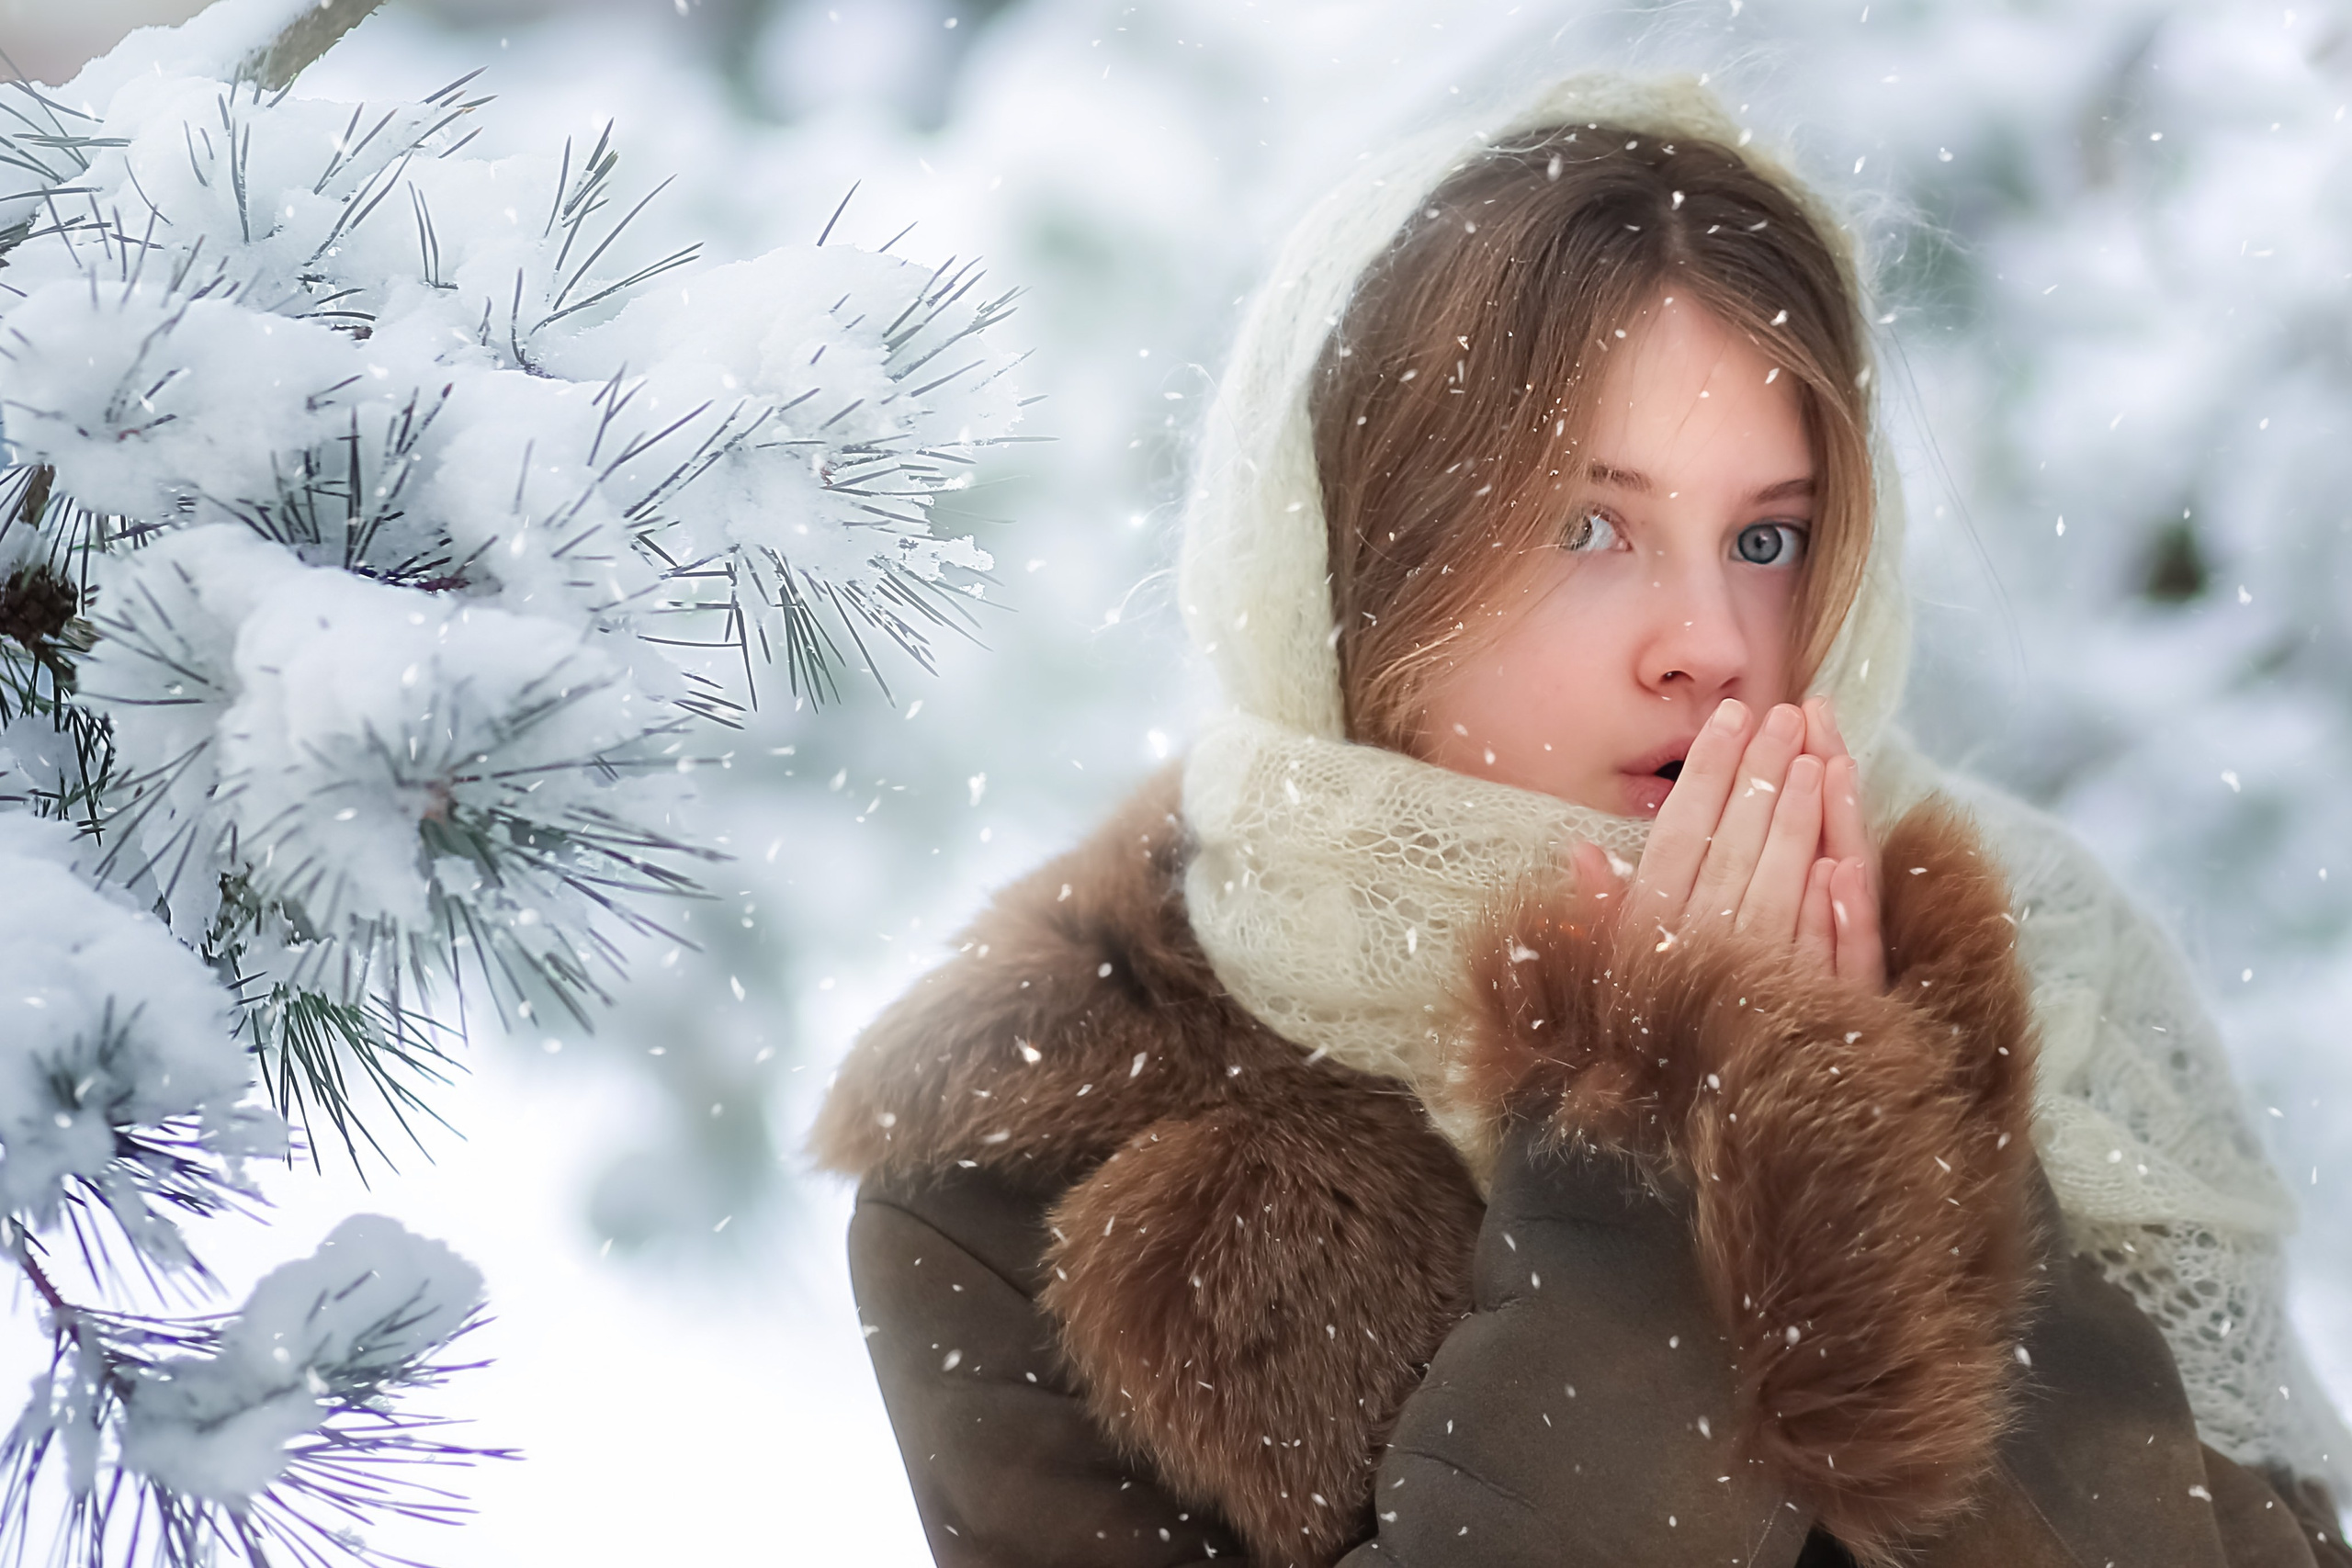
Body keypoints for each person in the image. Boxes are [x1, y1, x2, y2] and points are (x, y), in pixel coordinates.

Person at [812, 72, 2352, 1568]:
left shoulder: (2039, 973)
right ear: (1355, 564)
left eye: (1768, 535)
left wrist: (1871, 1136)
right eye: (1589, 525)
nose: (1709, 637)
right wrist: (1649, 1161)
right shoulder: (1013, 1181)